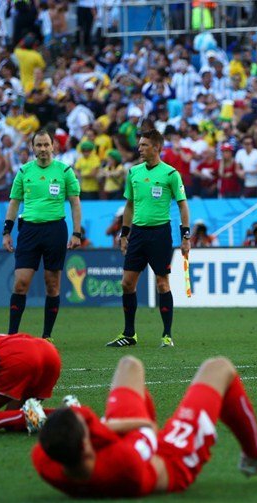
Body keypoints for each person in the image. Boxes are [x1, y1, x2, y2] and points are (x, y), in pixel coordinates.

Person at [32, 355, 257, 498]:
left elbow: (95, 432)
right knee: (219, 368)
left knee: (129, 366)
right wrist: (116, 423)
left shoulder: (46, 459)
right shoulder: (123, 465)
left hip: (134, 448)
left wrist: (99, 425)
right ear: (88, 448)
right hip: (173, 459)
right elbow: (147, 429)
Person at [108, 130, 191, 348]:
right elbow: (129, 205)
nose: (139, 148)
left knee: (162, 283)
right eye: (140, 144)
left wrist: (186, 236)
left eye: (144, 145)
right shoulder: (134, 172)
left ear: (157, 147)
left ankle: (166, 335)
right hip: (138, 234)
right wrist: (124, 233)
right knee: (127, 283)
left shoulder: (171, 174)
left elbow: (183, 205)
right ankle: (129, 334)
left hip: (160, 234)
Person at [3, 130, 82, 341]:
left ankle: (46, 336)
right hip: (29, 230)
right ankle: (11, 335)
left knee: (52, 284)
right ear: (33, 147)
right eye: (39, 145)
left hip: (55, 230)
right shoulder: (24, 171)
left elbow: (75, 203)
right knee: (20, 283)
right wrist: (7, 231)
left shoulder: (65, 171)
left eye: (46, 144)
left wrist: (76, 232)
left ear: (53, 146)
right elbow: (14, 203)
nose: (43, 149)